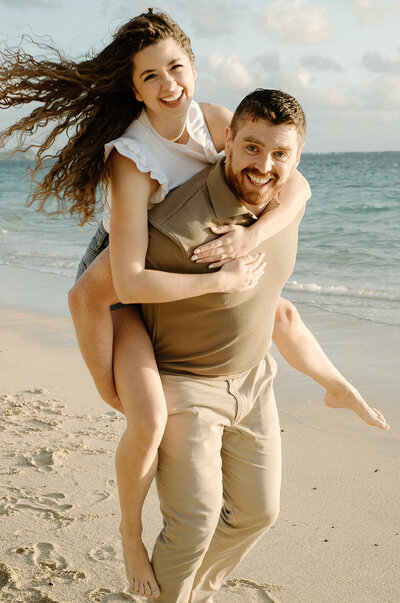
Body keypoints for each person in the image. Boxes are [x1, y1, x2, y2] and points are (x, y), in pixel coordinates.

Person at [0, 10, 389, 600]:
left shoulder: (215, 120)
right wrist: (215, 283)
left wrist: (251, 238)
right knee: (148, 417)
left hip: (177, 259)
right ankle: (131, 537)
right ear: (134, 88)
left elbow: (293, 180)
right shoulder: (131, 157)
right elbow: (122, 283)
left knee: (274, 308)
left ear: (195, 68)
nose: (168, 85)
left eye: (176, 68)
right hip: (117, 277)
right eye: (150, 76)